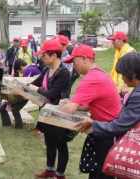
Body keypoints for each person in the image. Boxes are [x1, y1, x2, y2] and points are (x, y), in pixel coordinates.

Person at [60, 44, 121, 179]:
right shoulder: (98, 73)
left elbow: (69, 110)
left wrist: (55, 107)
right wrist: (72, 103)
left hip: (106, 132)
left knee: (101, 173)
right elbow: (89, 105)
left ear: (84, 59)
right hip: (109, 129)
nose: (73, 65)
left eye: (74, 61)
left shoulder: (91, 79)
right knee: (99, 171)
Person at [75, 52, 140, 178]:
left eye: (123, 75)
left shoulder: (138, 96)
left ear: (133, 75)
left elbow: (120, 125)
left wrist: (93, 125)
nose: (122, 79)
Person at [30, 39, 71, 179]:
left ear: (54, 55)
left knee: (61, 144)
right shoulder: (47, 70)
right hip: (46, 112)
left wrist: (35, 88)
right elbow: (34, 82)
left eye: (44, 56)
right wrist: (21, 83)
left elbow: (52, 94)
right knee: (49, 142)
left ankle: (60, 174)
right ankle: (49, 170)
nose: (42, 58)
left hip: (59, 114)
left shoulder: (64, 73)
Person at [0, 59, 28, 129]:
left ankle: (19, 126)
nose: (19, 71)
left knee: (15, 109)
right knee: (2, 108)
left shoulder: (27, 74)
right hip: (15, 96)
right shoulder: (15, 75)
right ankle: (7, 124)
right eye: (17, 70)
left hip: (24, 97)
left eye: (20, 69)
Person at [107, 31, 135, 96]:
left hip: (126, 89)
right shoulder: (118, 51)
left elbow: (132, 72)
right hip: (118, 88)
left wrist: (125, 87)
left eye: (114, 40)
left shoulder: (130, 52)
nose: (112, 42)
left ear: (121, 40)